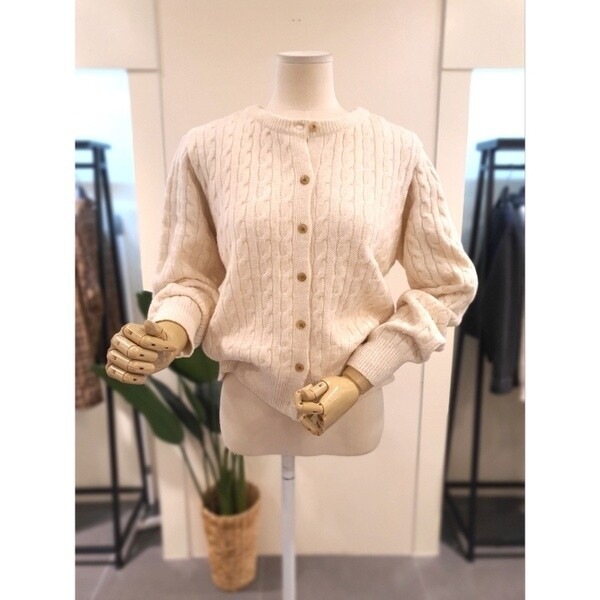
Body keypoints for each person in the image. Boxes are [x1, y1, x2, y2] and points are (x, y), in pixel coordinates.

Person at [105, 50, 478, 457]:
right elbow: (190, 277)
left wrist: (361, 374)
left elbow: (447, 285)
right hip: (249, 409)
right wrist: (171, 331)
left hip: (354, 413)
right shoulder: (206, 147)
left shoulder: (399, 150)